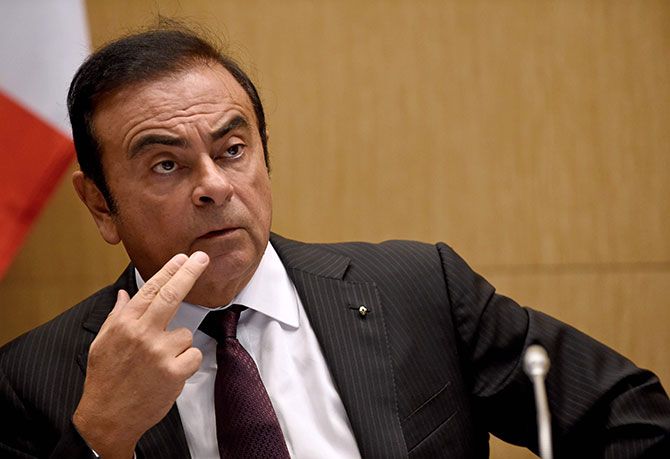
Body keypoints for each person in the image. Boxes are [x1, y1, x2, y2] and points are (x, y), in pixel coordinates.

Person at [1, 25, 669, 459]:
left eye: (232, 150)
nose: (215, 186)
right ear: (100, 205)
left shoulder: (419, 291)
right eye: (167, 164)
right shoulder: (30, 380)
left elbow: (633, 416)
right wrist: (101, 438)